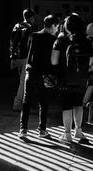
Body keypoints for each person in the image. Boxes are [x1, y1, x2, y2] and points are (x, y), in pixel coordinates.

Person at [51, 13, 92, 143]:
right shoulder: (87, 42)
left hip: (64, 79)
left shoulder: (61, 40)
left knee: (67, 106)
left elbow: (53, 62)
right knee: (78, 105)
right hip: (82, 80)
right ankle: (78, 132)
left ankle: (67, 135)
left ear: (67, 26)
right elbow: (91, 63)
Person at [18, 14, 60, 139]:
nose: (57, 29)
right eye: (57, 27)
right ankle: (42, 130)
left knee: (26, 102)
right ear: (52, 26)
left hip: (30, 72)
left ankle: (23, 130)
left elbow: (28, 52)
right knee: (44, 102)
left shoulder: (33, 36)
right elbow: (53, 60)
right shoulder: (53, 40)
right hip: (44, 75)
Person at [10, 8, 36, 111]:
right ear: (31, 17)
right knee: (23, 82)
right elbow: (31, 44)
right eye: (33, 17)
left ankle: (25, 102)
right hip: (26, 57)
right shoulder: (30, 28)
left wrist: (13, 56)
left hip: (16, 57)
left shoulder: (17, 26)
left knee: (22, 80)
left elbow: (12, 42)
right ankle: (17, 104)